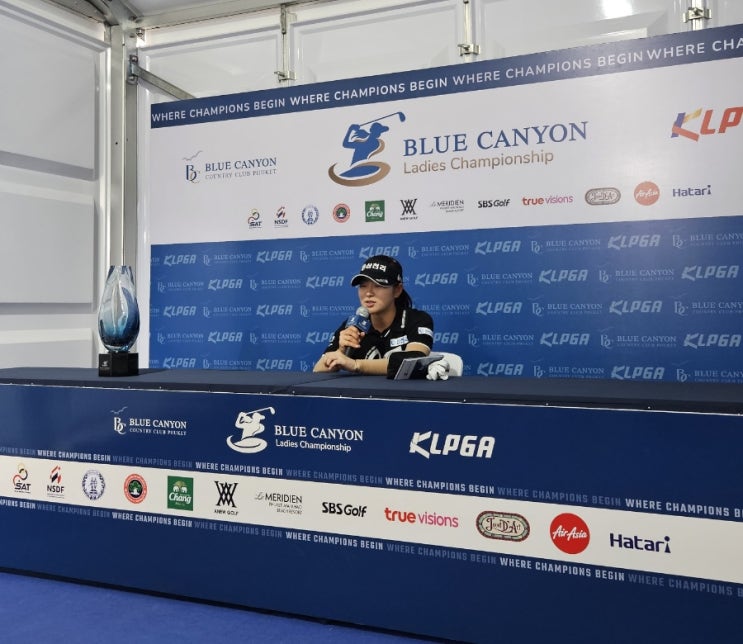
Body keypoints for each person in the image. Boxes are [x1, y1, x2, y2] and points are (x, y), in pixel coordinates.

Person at [313, 255, 434, 375]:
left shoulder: (417, 320)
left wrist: (356, 365)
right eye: (363, 286)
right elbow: (318, 369)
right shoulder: (352, 325)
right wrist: (341, 351)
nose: (368, 293)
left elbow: (413, 360)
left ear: (397, 290)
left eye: (378, 285)